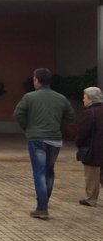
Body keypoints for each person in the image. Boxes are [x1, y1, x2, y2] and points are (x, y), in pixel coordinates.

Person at [13, 68, 74, 220]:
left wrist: (27, 127)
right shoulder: (61, 98)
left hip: (37, 138)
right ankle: (44, 203)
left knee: (39, 172)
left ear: (37, 80)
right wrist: (58, 126)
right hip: (55, 139)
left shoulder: (29, 97)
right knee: (49, 171)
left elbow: (18, 114)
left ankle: (42, 207)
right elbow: (71, 116)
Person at [76, 87, 103, 207]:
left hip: (93, 149)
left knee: (91, 175)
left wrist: (78, 143)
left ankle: (90, 199)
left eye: (84, 97)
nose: (83, 100)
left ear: (91, 99)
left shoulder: (90, 113)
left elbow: (83, 132)